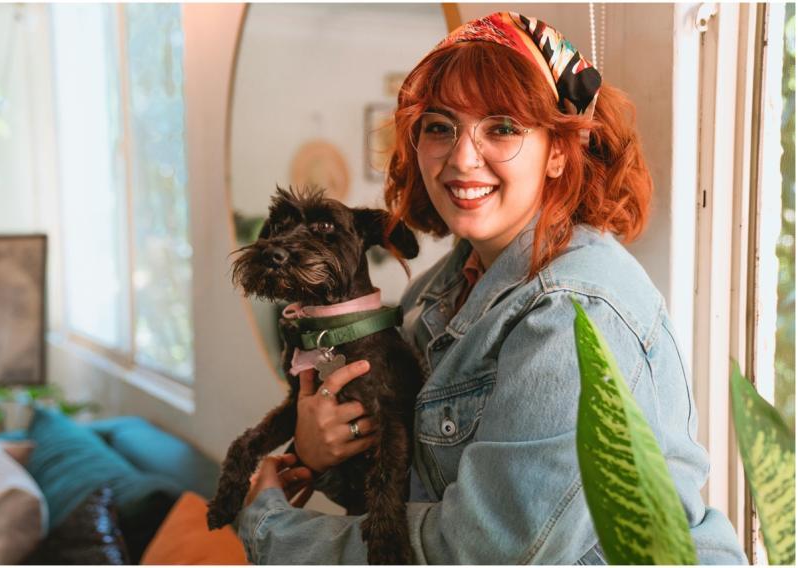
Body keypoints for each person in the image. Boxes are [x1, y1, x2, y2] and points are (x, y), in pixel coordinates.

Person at [232, 12, 747, 564]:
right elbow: (407, 487)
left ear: (557, 150)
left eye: (501, 127)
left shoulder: (574, 313)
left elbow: (483, 552)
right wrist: (321, 451)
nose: (461, 157)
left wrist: (270, 526)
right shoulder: (437, 291)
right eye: (440, 126)